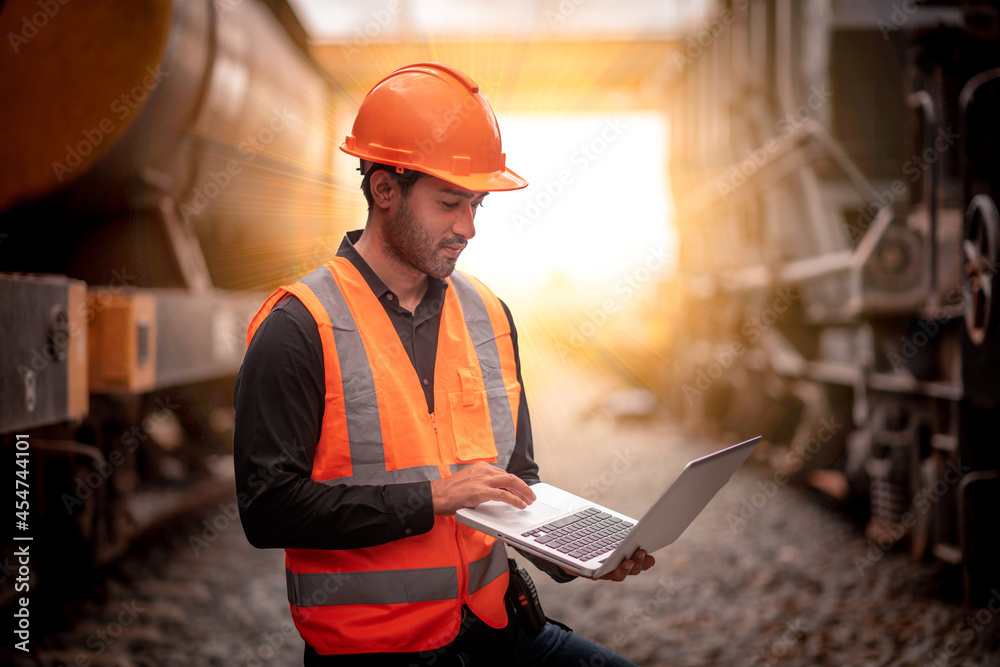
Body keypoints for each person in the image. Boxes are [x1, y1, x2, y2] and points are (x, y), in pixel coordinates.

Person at [233, 62, 654, 666]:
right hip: (375, 655)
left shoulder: (490, 314)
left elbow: (518, 481)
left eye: (477, 205)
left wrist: (579, 555)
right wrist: (431, 497)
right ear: (384, 190)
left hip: (502, 633)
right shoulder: (298, 327)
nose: (469, 228)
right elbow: (267, 510)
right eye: (450, 203)